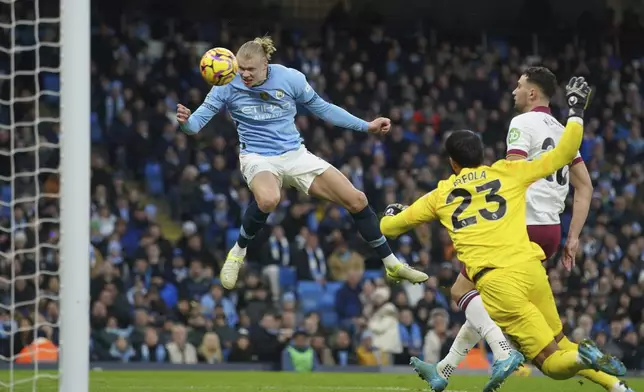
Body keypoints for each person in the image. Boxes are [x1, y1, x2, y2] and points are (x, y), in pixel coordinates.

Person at [379, 77, 626, 392]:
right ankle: (616, 386)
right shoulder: (508, 172)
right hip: (534, 254)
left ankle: (508, 352)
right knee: (555, 338)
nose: (514, 90)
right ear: (482, 154)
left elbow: (390, 227)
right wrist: (576, 111)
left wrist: (390, 213)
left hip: (507, 259)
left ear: (452, 163)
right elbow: (567, 157)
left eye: (519, 85)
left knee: (548, 361)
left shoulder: (442, 193)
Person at [176, 36, 427, 290]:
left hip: (295, 154)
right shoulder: (226, 85)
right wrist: (185, 122)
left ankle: (392, 264)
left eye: (250, 69)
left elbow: (324, 109)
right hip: (258, 156)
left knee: (357, 200)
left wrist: (366, 126)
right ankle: (237, 253)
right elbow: (195, 125)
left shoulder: (290, 78)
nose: (244, 74)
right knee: (269, 199)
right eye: (241, 68)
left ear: (266, 65)